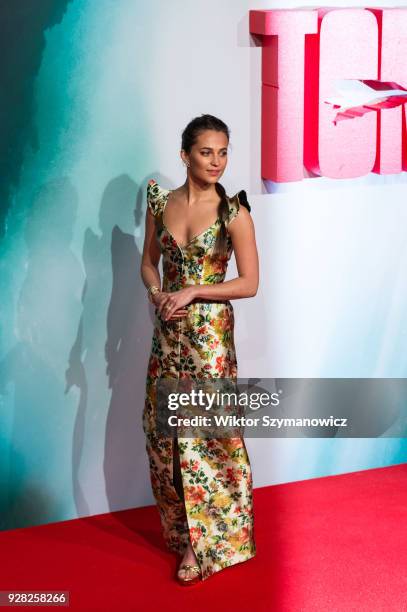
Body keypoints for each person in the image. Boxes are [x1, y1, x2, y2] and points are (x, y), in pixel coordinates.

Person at [140, 114, 259, 585]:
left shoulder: (235, 213)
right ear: (185, 155)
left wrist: (192, 291)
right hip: (168, 336)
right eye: (207, 151)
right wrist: (157, 294)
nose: (217, 161)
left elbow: (249, 283)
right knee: (160, 435)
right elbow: (149, 264)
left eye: (224, 151)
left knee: (205, 437)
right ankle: (183, 531)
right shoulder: (160, 203)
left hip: (209, 340)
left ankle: (205, 543)